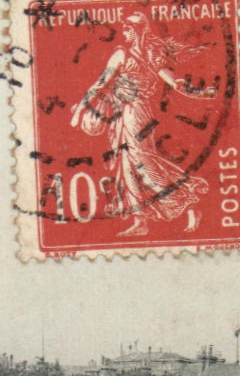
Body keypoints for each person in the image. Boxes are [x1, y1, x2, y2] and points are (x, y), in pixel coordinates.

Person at [70, 12, 216, 236]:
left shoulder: (141, 55)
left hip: (135, 113)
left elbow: (174, 83)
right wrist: (81, 107)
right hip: (125, 113)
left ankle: (186, 201)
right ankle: (141, 221)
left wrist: (202, 94)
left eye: (128, 29)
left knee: (142, 162)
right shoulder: (129, 54)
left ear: (138, 31)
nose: (125, 33)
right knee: (127, 163)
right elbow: (100, 84)